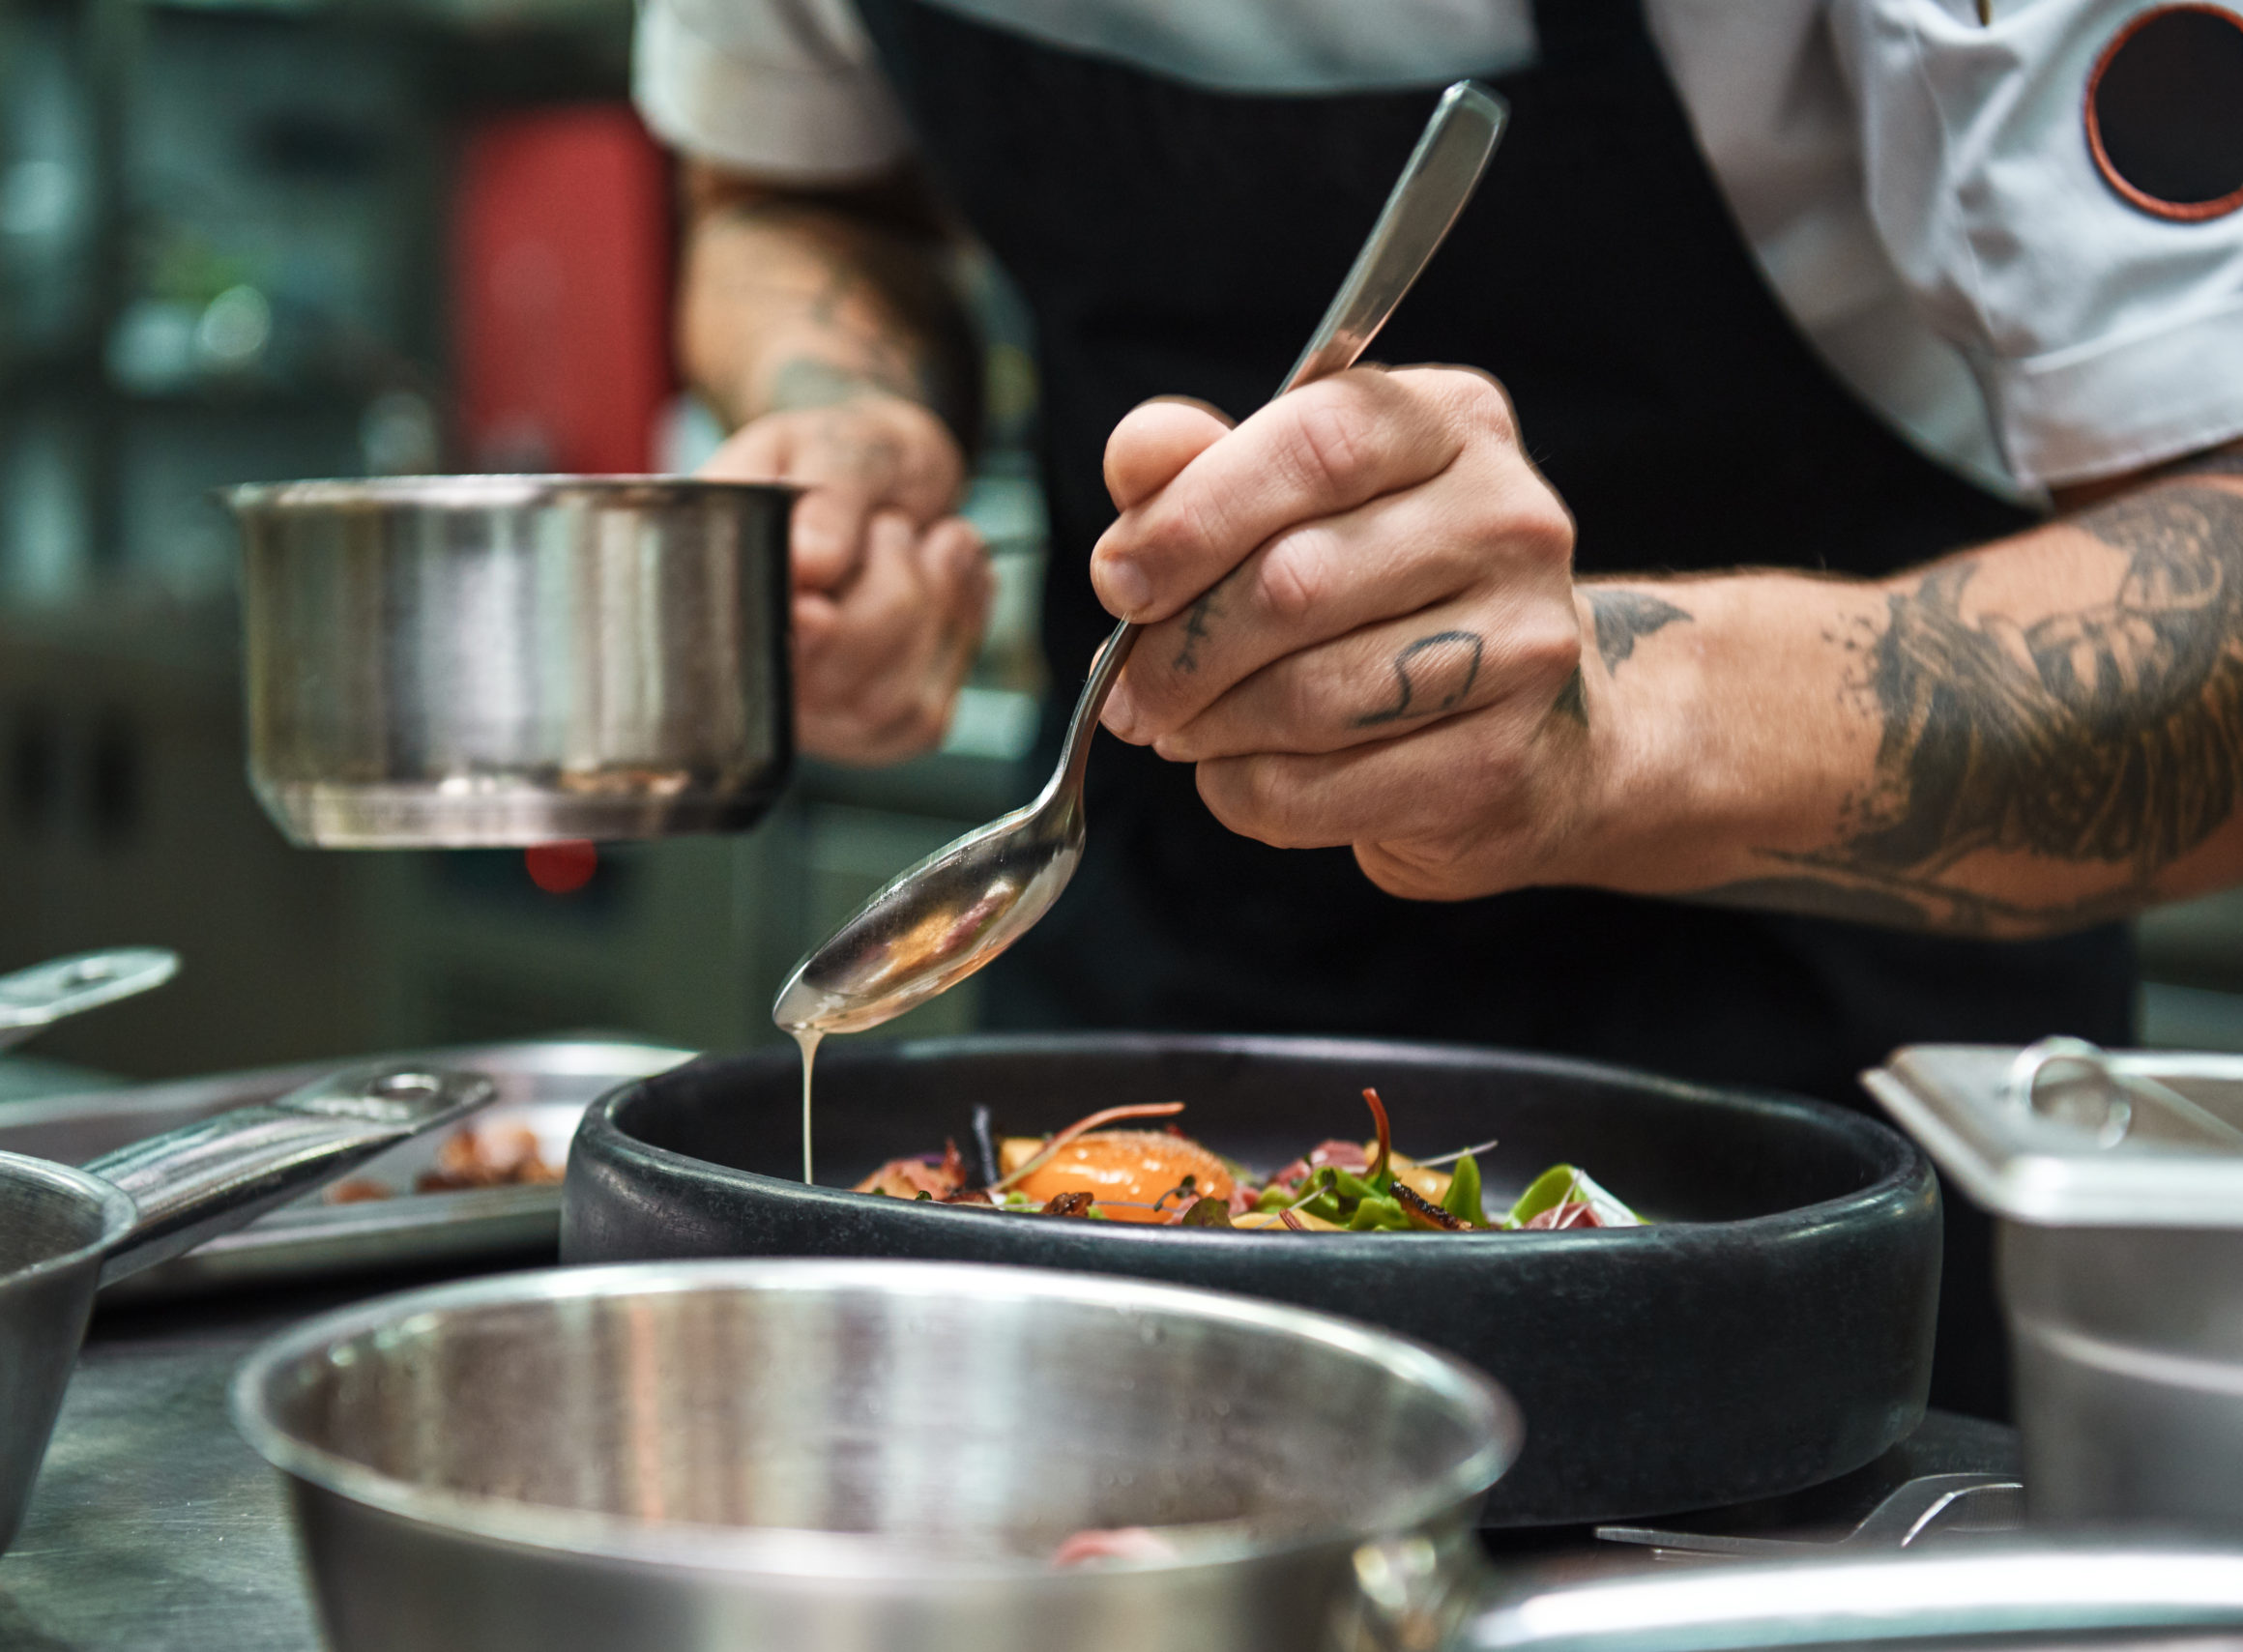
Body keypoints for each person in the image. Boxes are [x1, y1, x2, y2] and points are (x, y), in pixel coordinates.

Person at [635, 0, 2243, 1416]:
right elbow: (789, 181)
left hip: (1805, 1157)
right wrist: (840, 404)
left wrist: (1622, 719)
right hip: (1125, 1010)